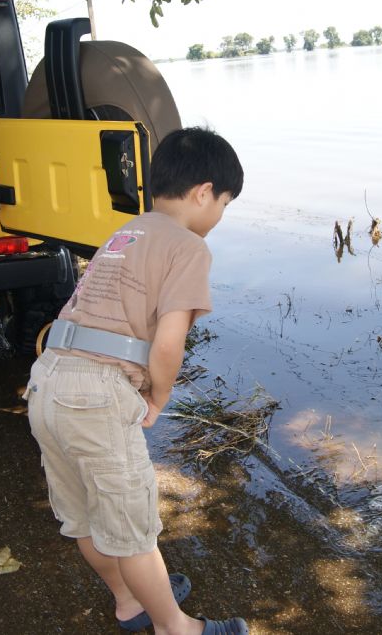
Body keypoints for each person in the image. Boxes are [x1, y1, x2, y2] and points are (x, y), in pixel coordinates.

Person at [25, 127, 248, 635]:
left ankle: (129, 600)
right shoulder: (189, 247)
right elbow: (168, 343)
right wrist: (158, 395)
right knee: (133, 531)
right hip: (96, 393)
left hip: (47, 381)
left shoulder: (125, 232)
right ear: (204, 193)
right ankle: (176, 627)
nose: (220, 215)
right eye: (225, 203)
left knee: (84, 517)